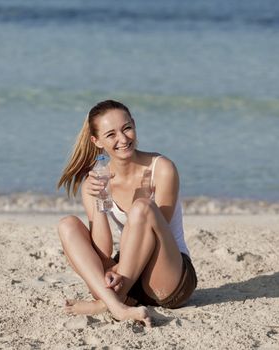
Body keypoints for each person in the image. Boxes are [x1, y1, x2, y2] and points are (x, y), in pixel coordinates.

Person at [57, 100, 197, 326]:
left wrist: (118, 276)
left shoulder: (161, 168)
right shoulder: (95, 180)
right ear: (97, 141)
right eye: (111, 134)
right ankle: (117, 305)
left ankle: (107, 304)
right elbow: (102, 254)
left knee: (143, 207)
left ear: (134, 125)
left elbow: (159, 233)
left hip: (169, 276)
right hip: (128, 278)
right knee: (67, 224)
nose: (123, 139)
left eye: (127, 128)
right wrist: (99, 201)